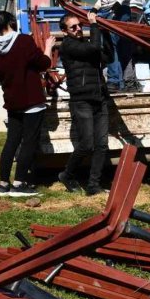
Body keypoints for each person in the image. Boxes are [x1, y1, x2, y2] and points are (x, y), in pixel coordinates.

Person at [0, 10, 55, 197]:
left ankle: (3, 184)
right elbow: (43, 63)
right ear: (11, 22)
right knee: (29, 142)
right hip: (31, 99)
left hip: (12, 100)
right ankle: (19, 184)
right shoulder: (24, 41)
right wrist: (48, 47)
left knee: (11, 141)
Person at [57, 13, 115, 196]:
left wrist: (105, 32)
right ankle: (67, 174)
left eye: (80, 25)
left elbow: (108, 57)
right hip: (82, 100)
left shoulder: (87, 44)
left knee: (101, 145)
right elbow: (92, 50)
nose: (79, 29)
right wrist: (95, 25)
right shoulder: (68, 46)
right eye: (73, 27)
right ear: (65, 31)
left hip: (100, 99)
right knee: (87, 143)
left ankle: (93, 186)